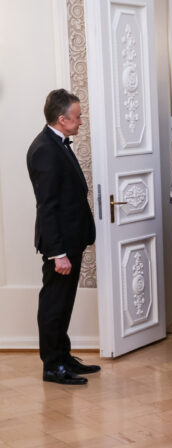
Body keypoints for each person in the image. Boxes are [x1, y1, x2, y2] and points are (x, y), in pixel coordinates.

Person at [27, 89, 99, 385]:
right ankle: (52, 366)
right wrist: (58, 253)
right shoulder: (44, 148)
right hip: (60, 246)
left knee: (64, 301)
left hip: (72, 239)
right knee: (54, 304)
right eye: (78, 116)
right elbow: (47, 205)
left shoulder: (59, 143)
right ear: (62, 119)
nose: (81, 121)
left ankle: (63, 355)